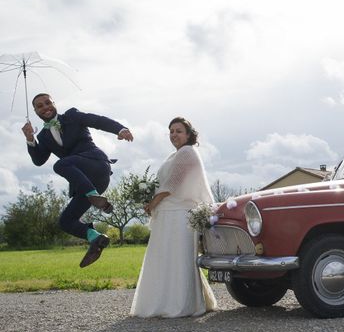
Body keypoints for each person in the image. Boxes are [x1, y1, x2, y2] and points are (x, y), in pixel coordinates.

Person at [21, 93, 133, 268]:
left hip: (97, 165)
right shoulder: (42, 136)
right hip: (83, 182)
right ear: (35, 111)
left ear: (54, 103)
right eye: (40, 106)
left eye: (48, 103)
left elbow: (97, 120)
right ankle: (96, 238)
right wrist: (30, 138)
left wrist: (120, 129)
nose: (45, 107)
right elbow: (39, 160)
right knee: (65, 221)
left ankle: (95, 197)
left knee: (60, 165)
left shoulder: (72, 116)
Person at [130, 117, 217, 318]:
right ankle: (163, 302)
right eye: (171, 131)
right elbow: (164, 184)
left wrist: (152, 204)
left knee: (177, 260)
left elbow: (172, 185)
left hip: (179, 216)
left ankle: (180, 305)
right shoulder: (175, 155)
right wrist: (149, 199)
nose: (174, 135)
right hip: (168, 213)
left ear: (188, 134)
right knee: (164, 259)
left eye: (178, 131)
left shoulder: (187, 152)